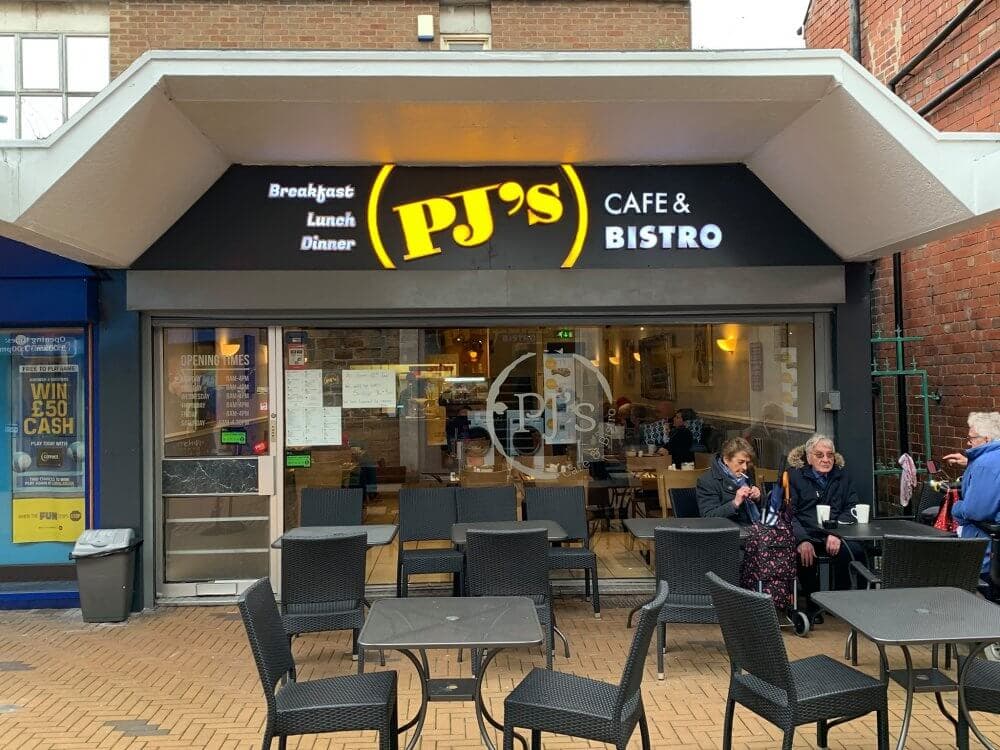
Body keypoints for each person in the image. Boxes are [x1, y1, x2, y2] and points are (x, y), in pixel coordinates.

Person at [786, 434, 865, 619]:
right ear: (808, 457)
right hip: (806, 532)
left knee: (855, 551)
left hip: (834, 532)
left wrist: (836, 533)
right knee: (804, 553)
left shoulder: (842, 476)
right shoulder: (794, 476)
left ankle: (840, 602)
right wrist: (802, 539)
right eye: (819, 455)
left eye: (830, 455)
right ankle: (813, 604)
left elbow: (851, 507)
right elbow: (788, 513)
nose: (826, 459)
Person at [945, 412, 1000, 574]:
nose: (969, 443)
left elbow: (975, 511)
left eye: (972, 438)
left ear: (987, 439)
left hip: (986, 547)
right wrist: (970, 463)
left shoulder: (985, 464)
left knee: (968, 588)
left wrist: (956, 507)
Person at [696, 437, 761, 524]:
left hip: (753, 528)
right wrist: (735, 503)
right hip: (730, 533)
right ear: (726, 459)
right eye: (740, 462)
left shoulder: (748, 473)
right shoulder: (707, 481)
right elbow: (708, 517)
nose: (745, 467)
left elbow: (760, 508)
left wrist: (757, 497)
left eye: (747, 462)